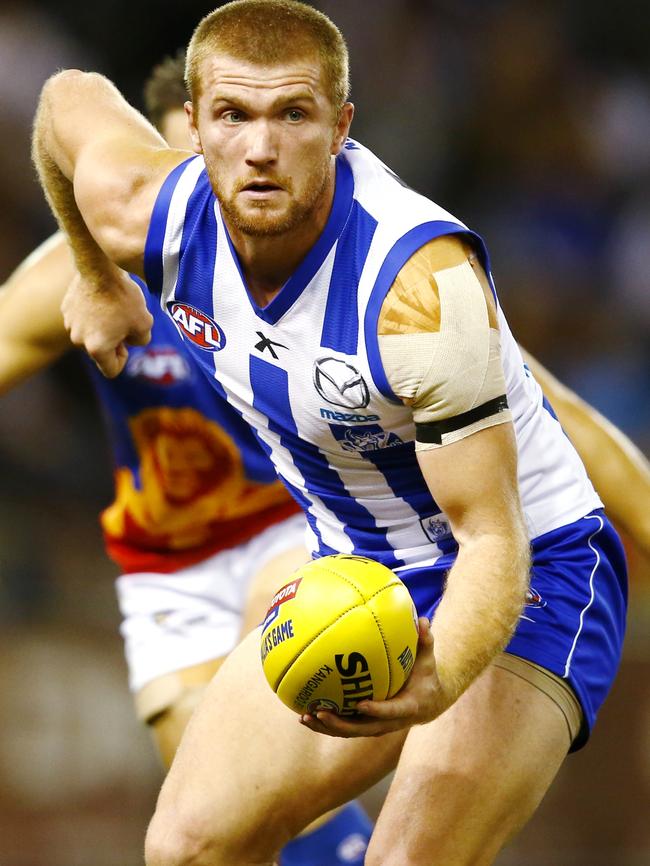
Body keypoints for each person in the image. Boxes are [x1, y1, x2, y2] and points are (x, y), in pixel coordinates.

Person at [31, 2, 633, 864]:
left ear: (341, 126)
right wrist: (93, 274)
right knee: (184, 848)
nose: (261, 149)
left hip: (532, 574)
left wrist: (442, 679)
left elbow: (491, 535)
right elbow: (65, 100)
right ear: (193, 125)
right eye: (234, 116)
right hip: (355, 564)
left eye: (294, 115)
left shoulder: (422, 291)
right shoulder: (144, 211)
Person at [6, 50, 374, 866]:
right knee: (220, 834)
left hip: (293, 525)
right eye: (171, 170)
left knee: (275, 723)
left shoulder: (307, 255)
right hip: (166, 565)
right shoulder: (87, 266)